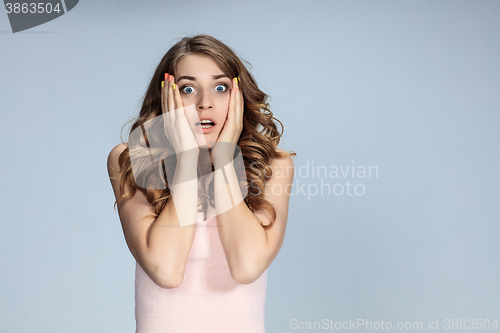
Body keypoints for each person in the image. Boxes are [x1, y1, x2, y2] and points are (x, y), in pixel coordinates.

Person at [107, 34, 296, 333]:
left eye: (220, 88)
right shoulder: (131, 158)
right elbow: (165, 271)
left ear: (238, 96)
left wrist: (223, 158)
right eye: (188, 89)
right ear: (167, 98)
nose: (205, 103)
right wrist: (186, 157)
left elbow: (246, 266)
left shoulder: (273, 165)